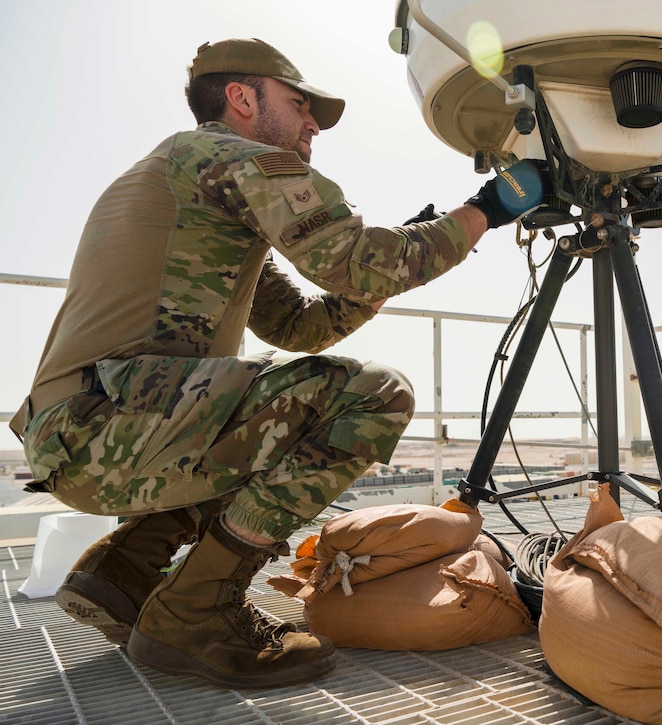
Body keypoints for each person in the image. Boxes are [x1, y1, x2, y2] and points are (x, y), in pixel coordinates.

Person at [8, 38, 546, 689]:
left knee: (278, 414)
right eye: (300, 104)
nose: (313, 124)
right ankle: (196, 608)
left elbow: (300, 324)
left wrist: (393, 259)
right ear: (240, 98)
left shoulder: (191, 185)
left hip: (94, 428)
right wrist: (487, 210)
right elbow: (359, 259)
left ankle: (122, 569)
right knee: (375, 396)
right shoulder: (228, 156)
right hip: (109, 425)